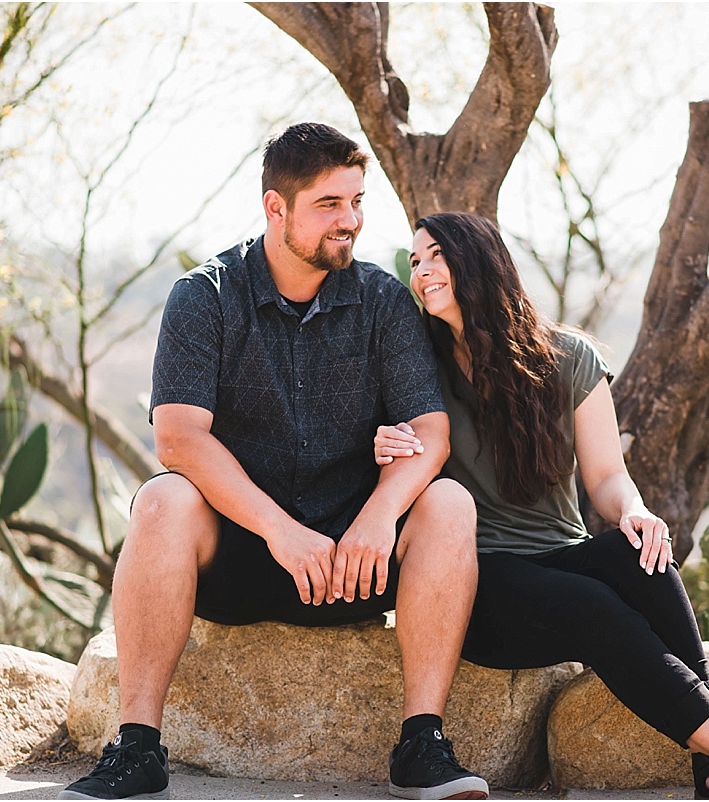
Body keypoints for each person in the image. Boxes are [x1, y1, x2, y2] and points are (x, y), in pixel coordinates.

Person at [60, 125, 489, 802]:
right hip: (244, 556)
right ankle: (137, 747)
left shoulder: (382, 300)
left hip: (355, 562)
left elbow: (428, 433)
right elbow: (177, 439)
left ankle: (421, 745)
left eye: (356, 200)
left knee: (448, 502)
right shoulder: (205, 296)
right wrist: (280, 532)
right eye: (329, 204)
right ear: (275, 208)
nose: (350, 220)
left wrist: (378, 519)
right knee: (164, 497)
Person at [374, 212, 709, 802]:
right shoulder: (418, 363)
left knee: (643, 557)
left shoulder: (569, 358)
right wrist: (383, 440)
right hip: (481, 586)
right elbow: (395, 443)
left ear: (476, 261)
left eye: (434, 256)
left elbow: (607, 477)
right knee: (590, 602)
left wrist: (634, 511)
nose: (420, 271)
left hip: (559, 556)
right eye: (416, 260)